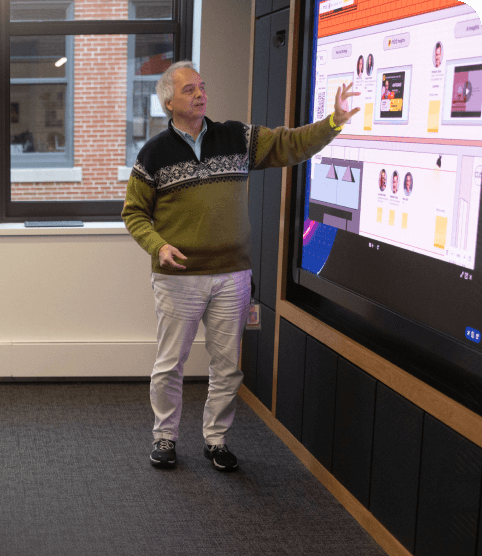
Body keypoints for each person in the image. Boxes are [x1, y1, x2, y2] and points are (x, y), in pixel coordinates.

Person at [121, 60, 359, 471]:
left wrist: (332, 123)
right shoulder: (153, 154)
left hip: (233, 274)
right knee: (170, 364)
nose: (200, 94)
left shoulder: (237, 138)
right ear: (169, 102)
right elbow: (134, 213)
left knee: (227, 367)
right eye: (190, 89)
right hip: (178, 278)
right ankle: (165, 437)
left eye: (202, 86)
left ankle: (216, 440)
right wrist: (157, 246)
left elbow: (288, 144)